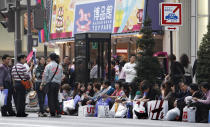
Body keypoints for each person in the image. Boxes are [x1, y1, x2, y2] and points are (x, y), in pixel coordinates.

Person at [40, 53, 63, 117]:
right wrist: (59, 84)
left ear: (50, 58)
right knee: (56, 98)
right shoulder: (59, 66)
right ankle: (58, 112)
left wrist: (42, 84)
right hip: (57, 84)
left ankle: (52, 112)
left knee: (50, 98)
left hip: (50, 84)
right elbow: (61, 76)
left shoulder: (48, 66)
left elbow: (45, 76)